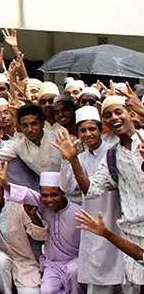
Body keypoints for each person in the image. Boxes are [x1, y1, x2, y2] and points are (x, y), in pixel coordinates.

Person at [57, 104, 138, 293]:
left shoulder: (113, 152)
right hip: (94, 221)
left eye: (92, 129)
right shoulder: (79, 158)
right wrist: (68, 159)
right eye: (83, 130)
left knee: (130, 278)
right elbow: (67, 187)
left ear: (101, 130)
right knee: (98, 276)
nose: (88, 134)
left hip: (121, 219)